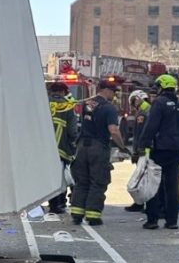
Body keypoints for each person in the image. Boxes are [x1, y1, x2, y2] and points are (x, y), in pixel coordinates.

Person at [70, 80, 130, 226]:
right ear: (106, 90)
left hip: (82, 146)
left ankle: (77, 213)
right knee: (98, 181)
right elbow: (113, 131)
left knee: (82, 180)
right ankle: (93, 216)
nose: (114, 95)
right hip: (98, 147)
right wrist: (122, 146)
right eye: (113, 92)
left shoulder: (87, 104)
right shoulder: (109, 108)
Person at [139, 74, 179, 230]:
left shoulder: (159, 103)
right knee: (172, 186)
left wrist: (143, 144)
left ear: (161, 87)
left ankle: (152, 220)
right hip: (177, 150)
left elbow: (151, 126)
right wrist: (178, 139)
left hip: (160, 149)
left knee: (154, 184)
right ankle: (172, 221)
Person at [47, 82, 78, 214]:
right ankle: (58, 204)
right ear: (62, 92)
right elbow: (72, 130)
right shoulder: (67, 106)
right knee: (60, 177)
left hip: (43, 147)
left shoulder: (43, 103)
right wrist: (73, 143)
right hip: (61, 147)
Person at [123, 89, 151, 213]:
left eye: (133, 101)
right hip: (145, 150)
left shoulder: (143, 113)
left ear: (138, 99)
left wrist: (137, 151)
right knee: (143, 178)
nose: (133, 105)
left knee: (143, 179)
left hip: (144, 152)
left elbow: (140, 134)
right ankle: (141, 203)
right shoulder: (147, 109)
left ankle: (143, 204)